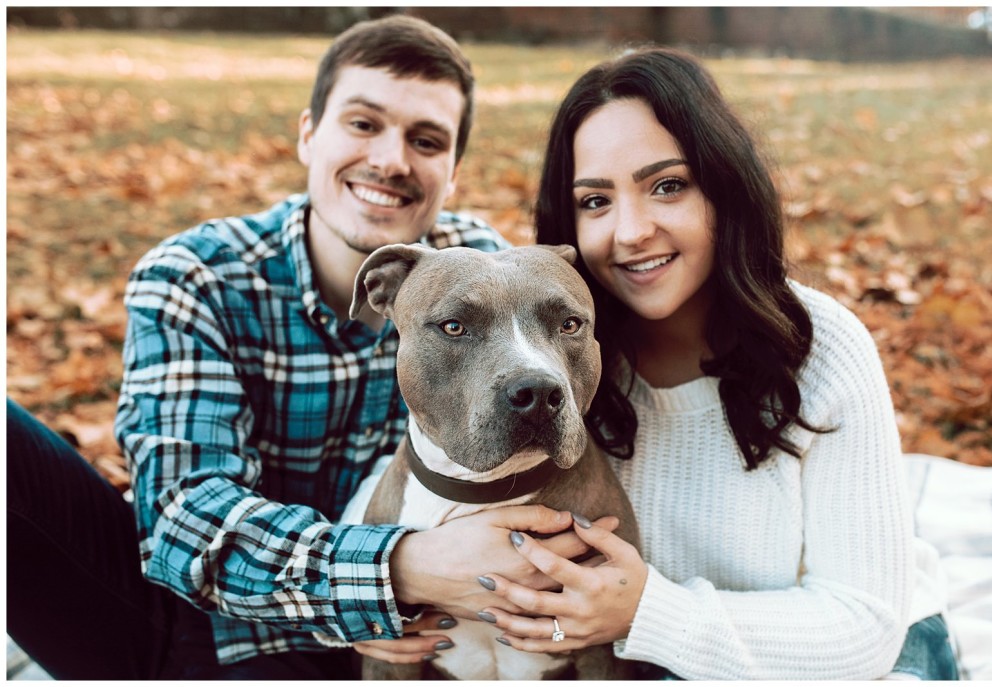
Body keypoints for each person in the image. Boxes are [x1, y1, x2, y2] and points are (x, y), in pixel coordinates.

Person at [7, 15, 602, 679]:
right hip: (183, 625)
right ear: (308, 134)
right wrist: (401, 569)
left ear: (452, 170)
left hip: (394, 650)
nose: (390, 159)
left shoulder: (478, 278)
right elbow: (184, 525)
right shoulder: (198, 275)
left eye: (426, 140)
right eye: (363, 123)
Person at [470, 47, 959, 680]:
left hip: (862, 654)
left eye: (667, 186)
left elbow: (863, 625)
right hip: (664, 660)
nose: (631, 231)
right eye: (595, 201)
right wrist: (402, 571)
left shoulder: (823, 349)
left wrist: (646, 613)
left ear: (725, 188)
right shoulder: (557, 357)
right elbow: (425, 460)